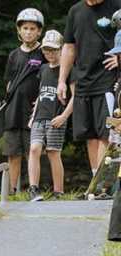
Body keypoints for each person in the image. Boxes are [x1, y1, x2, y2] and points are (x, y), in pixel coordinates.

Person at [58, 0, 121, 183]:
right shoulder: (75, 11)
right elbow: (69, 47)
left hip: (108, 79)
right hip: (83, 81)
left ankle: (104, 183)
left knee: (106, 133)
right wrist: (62, 80)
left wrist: (120, 58)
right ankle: (96, 183)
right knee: (90, 134)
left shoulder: (117, 5)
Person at [3, 9, 46, 196]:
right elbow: (8, 82)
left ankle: (32, 188)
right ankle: (12, 191)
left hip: (33, 111)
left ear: (39, 31)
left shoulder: (44, 52)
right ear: (19, 31)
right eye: (25, 28)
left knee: (33, 151)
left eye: (32, 28)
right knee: (13, 153)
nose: (28, 32)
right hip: (13, 111)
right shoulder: (13, 55)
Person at [27, 30, 73, 200]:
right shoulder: (43, 68)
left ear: (61, 49)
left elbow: (75, 96)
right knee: (34, 149)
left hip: (57, 116)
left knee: (53, 151)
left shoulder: (67, 69)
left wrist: (64, 117)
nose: (49, 54)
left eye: (53, 50)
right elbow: (40, 93)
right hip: (39, 116)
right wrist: (33, 116)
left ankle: (58, 191)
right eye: (46, 50)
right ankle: (33, 188)